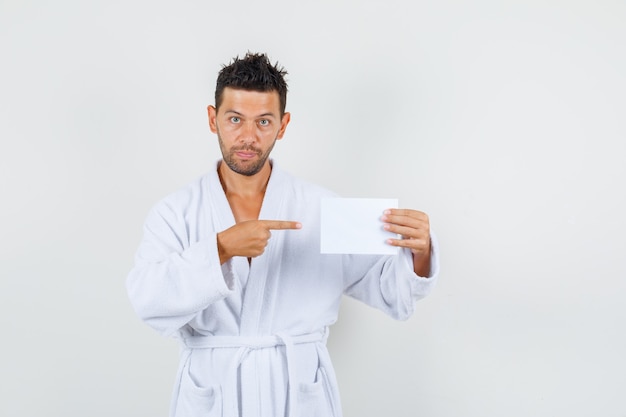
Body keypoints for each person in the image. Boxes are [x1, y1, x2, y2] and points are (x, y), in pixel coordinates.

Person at [126, 52, 440, 417]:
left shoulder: (321, 207)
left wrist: (420, 252)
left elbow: (391, 291)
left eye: (263, 121)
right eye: (234, 119)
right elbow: (147, 300)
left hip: (297, 394)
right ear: (213, 120)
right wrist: (222, 248)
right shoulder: (175, 212)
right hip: (214, 394)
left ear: (283, 124)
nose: (247, 136)